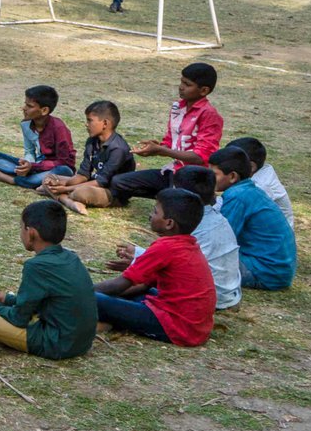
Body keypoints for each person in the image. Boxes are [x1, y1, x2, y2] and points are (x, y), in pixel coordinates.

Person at [0, 200, 96, 359]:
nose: (21, 232)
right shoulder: (70, 257)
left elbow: (18, 318)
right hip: (81, 342)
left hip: (57, 344)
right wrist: (9, 299)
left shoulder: (37, 266)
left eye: (22, 227)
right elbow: (46, 300)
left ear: (31, 233)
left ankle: (0, 339)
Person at [92, 188, 216, 346]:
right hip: (194, 326)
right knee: (132, 294)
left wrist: (82, 290)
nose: (150, 215)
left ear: (169, 223)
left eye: (155, 212)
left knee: (94, 299)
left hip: (176, 328)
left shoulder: (164, 247)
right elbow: (144, 284)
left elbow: (120, 284)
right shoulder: (188, 243)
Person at [109, 166, 242, 310]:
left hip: (206, 297)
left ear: (182, 199)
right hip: (228, 294)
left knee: (122, 295)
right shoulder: (216, 219)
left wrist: (140, 258)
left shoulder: (192, 226)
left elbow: (179, 267)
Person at [105, 63, 223, 204]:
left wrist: (162, 150)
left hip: (194, 178)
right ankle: (168, 195)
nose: (181, 86)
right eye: (181, 81)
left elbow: (201, 157)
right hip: (174, 171)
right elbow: (169, 143)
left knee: (172, 205)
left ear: (203, 90)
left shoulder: (209, 115)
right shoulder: (177, 107)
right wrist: (154, 149)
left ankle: (188, 199)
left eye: (187, 84)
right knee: (119, 181)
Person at [210, 146, 297, 290]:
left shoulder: (237, 196)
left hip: (265, 272)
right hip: (278, 270)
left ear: (232, 176)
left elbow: (220, 239)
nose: (209, 179)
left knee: (195, 263)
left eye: (214, 174)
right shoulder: (249, 189)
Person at [40, 100, 135, 215]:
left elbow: (101, 182)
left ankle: (62, 197)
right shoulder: (92, 141)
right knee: (49, 178)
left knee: (80, 193)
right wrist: (62, 183)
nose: (86, 124)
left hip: (112, 192)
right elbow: (83, 174)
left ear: (105, 123)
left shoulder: (118, 149)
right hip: (93, 183)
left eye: (90, 120)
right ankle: (68, 201)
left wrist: (65, 189)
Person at [0, 86, 76, 190]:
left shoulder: (59, 128)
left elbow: (64, 161)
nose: (24, 108)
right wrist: (27, 165)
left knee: (63, 171)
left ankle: (12, 179)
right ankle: (28, 176)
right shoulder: (26, 124)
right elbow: (29, 151)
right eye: (25, 104)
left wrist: (33, 167)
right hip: (36, 164)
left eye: (29, 106)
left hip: (56, 168)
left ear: (44, 110)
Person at [227, 137, 294, 228]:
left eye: (229, 163)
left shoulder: (260, 187)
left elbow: (235, 213)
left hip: (269, 237)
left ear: (251, 167)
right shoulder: (258, 172)